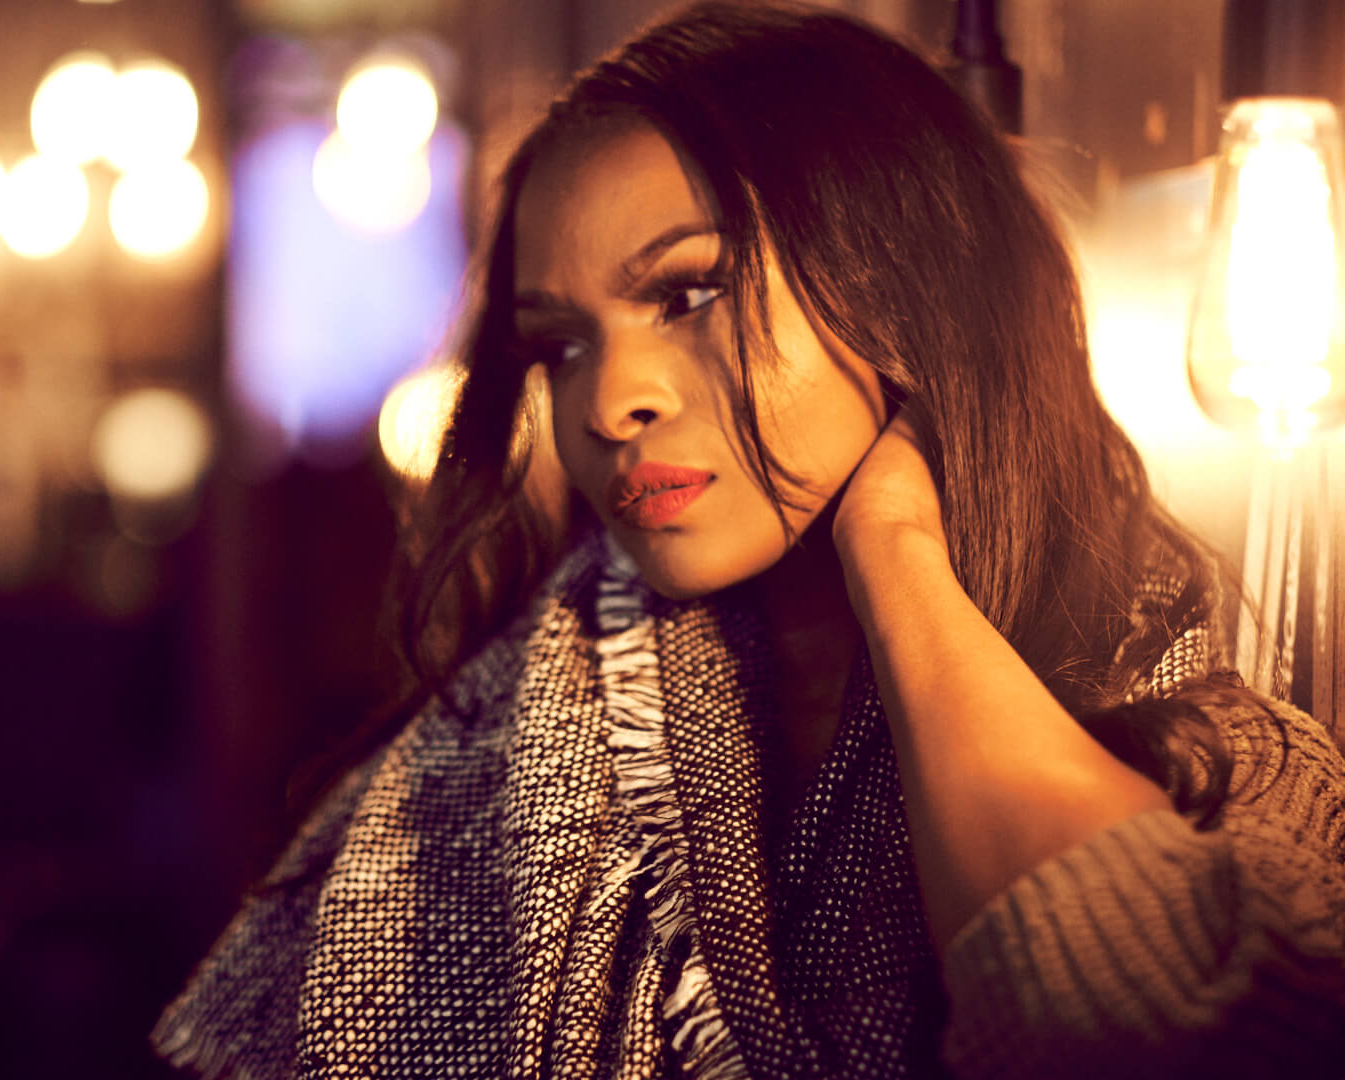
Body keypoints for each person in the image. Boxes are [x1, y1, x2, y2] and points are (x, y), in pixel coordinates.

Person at [156, 3, 1345, 1077]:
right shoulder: (459, 779)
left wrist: (900, 556)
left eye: (689, 292)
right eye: (562, 344)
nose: (609, 400)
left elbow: (1143, 1023)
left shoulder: (1224, 768)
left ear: (905, 289)